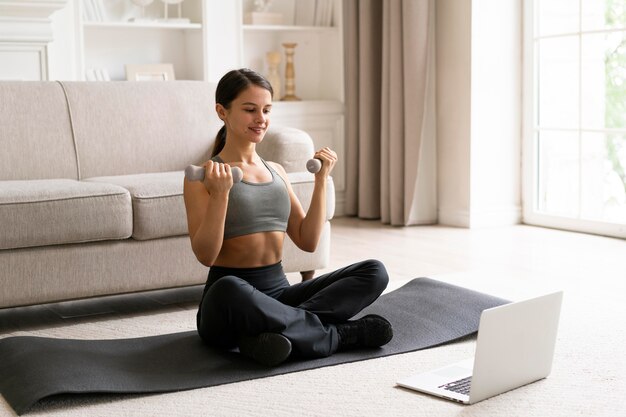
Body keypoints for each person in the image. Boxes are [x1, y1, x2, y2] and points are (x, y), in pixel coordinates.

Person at [183, 68, 393, 367]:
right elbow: (206, 255)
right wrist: (220, 196)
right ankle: (341, 335)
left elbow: (308, 242)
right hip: (229, 305)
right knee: (228, 288)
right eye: (249, 109)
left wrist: (321, 181)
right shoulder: (203, 177)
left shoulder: (277, 171)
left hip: (280, 295)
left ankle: (273, 335)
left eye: (267, 110)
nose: (261, 118)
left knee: (374, 272)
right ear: (222, 111)